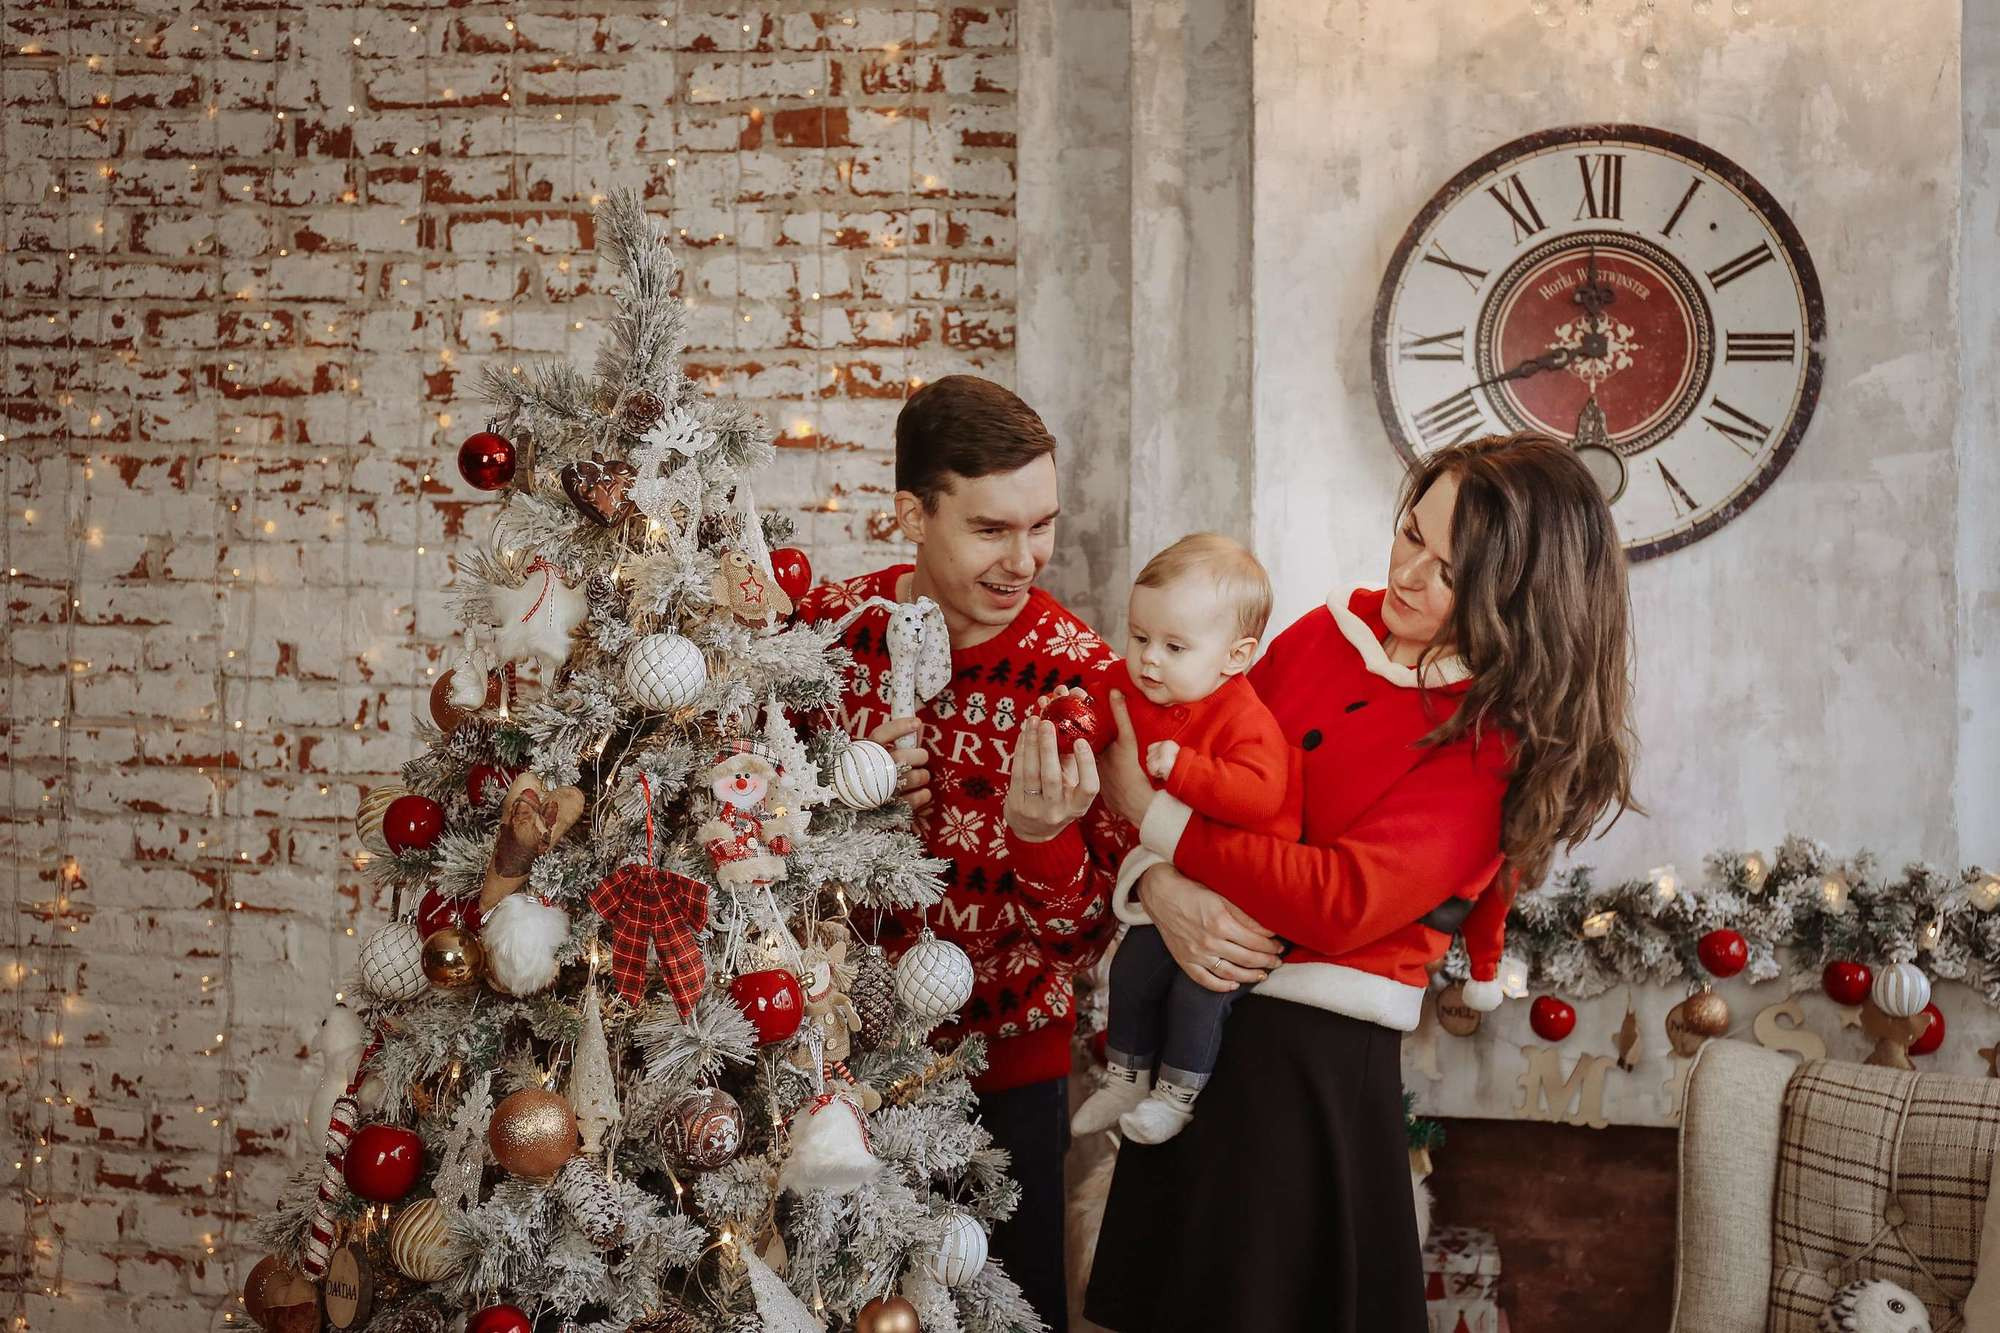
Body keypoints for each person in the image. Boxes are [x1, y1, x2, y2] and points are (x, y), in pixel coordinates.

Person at [1074, 433, 1640, 1332]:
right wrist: (1159, 886)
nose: (1408, 574)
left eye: (1449, 570)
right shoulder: (1321, 635)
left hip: (1306, 1070)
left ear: (1516, 594)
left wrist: (1158, 824)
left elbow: (1339, 900)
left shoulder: (1493, 738)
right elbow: (1177, 758)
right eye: (1411, 533)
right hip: (1197, 1026)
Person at [794, 375, 1132, 1333]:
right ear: (913, 513)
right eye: (991, 529)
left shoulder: (1081, 677)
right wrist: (833, 796)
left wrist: (1044, 840)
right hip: (827, 1066)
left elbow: (1083, 944)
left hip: (1006, 1077)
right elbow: (740, 842)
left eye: (1042, 525)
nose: (1024, 559)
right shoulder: (825, 635)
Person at [1069, 533, 1299, 1145]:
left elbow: (1261, 795)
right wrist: (1071, 729)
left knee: (1202, 990)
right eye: (1139, 636)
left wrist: (1187, 769)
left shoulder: (1245, 717)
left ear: (1234, 656)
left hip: (1240, 884)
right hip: (1174, 869)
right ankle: (1125, 1077)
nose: (1149, 660)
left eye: (1174, 647)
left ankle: (1176, 1095)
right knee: (1133, 971)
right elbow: (1098, 708)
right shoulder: (1134, 684)